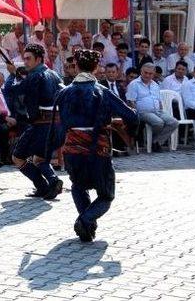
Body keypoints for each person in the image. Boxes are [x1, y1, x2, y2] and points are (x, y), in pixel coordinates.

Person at [48, 49, 138, 242]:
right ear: (96, 68)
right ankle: (86, 219)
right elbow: (132, 116)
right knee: (106, 194)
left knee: (78, 186)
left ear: (77, 67)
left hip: (72, 148)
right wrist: (126, 131)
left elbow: (59, 126)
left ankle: (87, 228)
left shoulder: (63, 92)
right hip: (98, 149)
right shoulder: (103, 92)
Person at [5, 44, 64, 200]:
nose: (25, 62)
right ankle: (44, 187)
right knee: (39, 158)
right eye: (24, 58)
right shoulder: (55, 75)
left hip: (41, 126)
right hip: (57, 125)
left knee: (18, 157)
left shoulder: (35, 76)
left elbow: (11, 90)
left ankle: (52, 181)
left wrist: (11, 75)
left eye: (28, 59)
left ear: (38, 59)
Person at [126, 63, 179, 152]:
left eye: (150, 74)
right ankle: (155, 143)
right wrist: (136, 114)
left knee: (173, 122)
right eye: (145, 73)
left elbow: (159, 100)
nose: (147, 75)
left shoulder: (155, 84)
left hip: (157, 111)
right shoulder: (134, 84)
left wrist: (161, 110)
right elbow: (131, 101)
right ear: (141, 72)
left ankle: (156, 142)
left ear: (153, 74)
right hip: (143, 112)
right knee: (159, 123)